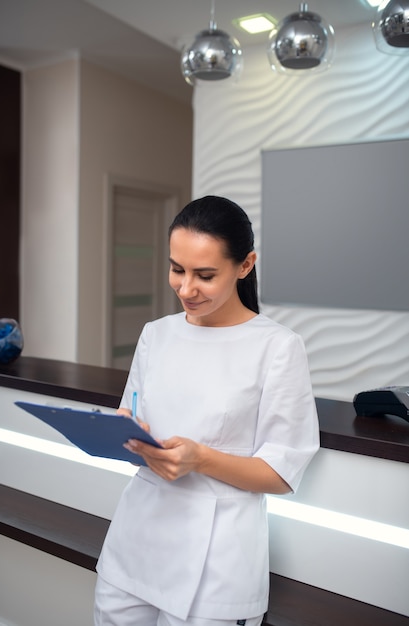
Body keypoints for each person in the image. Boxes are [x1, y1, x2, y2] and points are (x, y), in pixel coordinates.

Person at [94, 195, 319, 626]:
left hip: (217, 563)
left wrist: (201, 459)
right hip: (134, 540)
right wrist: (124, 431)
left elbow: (281, 472)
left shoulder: (276, 347)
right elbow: (131, 413)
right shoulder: (155, 335)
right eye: (177, 269)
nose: (185, 288)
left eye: (205, 275)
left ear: (245, 265)